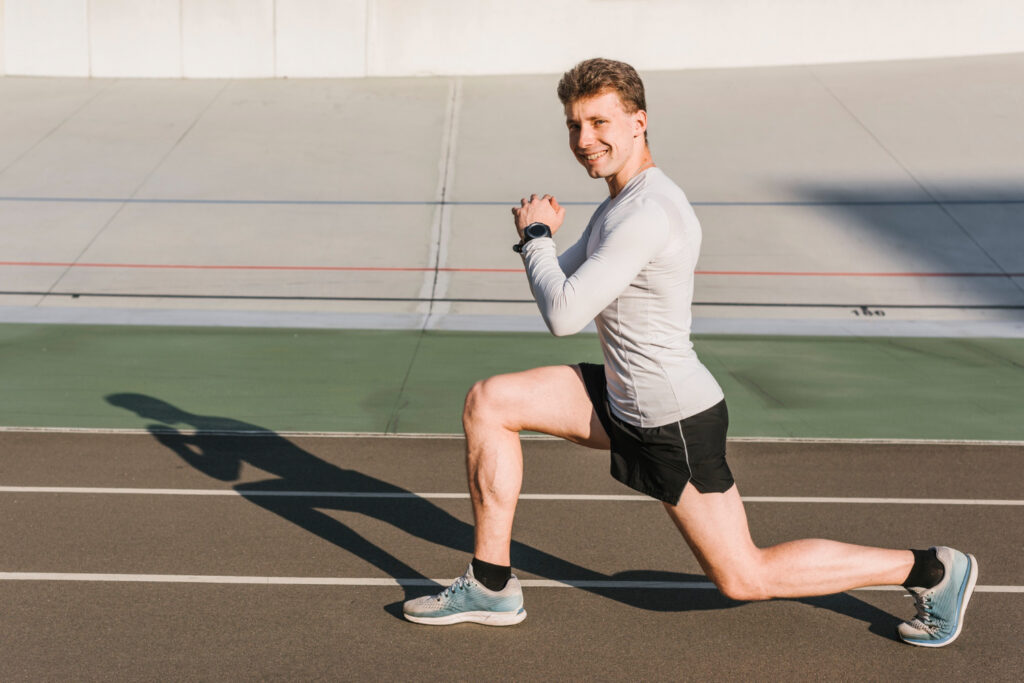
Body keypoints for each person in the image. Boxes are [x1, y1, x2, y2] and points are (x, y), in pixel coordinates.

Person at [402, 58, 977, 647]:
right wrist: (537, 245)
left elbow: (563, 312)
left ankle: (931, 570)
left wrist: (538, 238)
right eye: (574, 125)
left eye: (599, 122)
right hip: (622, 395)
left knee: (745, 575)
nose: (584, 140)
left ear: (639, 121)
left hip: (670, 417)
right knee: (491, 402)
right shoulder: (618, 205)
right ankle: (491, 585)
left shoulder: (647, 212)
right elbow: (561, 279)